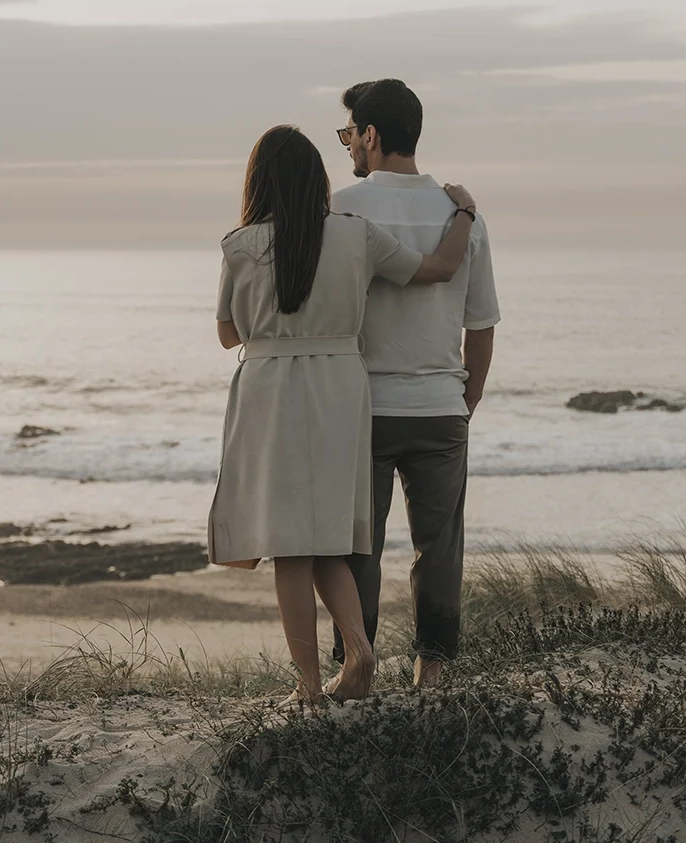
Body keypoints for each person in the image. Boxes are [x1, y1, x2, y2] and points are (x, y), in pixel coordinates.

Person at [207, 124, 478, 705]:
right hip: (340, 385)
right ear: (317, 181)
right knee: (330, 538)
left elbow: (228, 334)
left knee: (288, 544)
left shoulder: (240, 244)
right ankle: (359, 647)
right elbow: (438, 269)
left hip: (271, 387)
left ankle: (307, 685)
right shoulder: (356, 236)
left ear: (257, 180)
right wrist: (465, 215)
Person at [329, 79, 501, 688]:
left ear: (371, 136)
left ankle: (357, 664)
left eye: (349, 132)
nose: (347, 144)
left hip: (364, 407)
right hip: (439, 407)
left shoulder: (342, 207)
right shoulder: (463, 215)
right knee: (440, 547)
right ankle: (432, 673)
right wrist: (466, 401)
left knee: (357, 547)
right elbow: (479, 329)